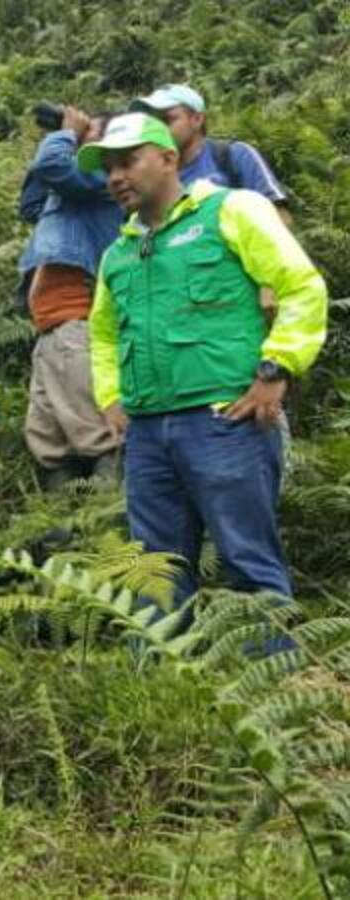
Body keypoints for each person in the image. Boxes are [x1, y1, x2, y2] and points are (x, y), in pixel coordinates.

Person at [80, 113, 327, 613]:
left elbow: (302, 287)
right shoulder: (118, 254)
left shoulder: (231, 210)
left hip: (225, 420)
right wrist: (109, 397)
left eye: (128, 161)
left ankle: (270, 681)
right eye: (108, 168)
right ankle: (163, 683)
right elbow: (103, 334)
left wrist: (276, 370)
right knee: (155, 572)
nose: (116, 177)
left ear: (169, 158)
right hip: (147, 434)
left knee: (247, 561)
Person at [16, 106, 125, 489]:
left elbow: (52, 167)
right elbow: (29, 204)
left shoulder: (103, 178)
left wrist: (62, 136)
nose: (81, 144)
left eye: (89, 136)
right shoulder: (72, 193)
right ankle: (62, 543)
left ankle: (109, 541)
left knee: (100, 437)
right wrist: (65, 137)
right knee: (51, 446)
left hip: (79, 323)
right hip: (52, 329)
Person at [130, 84, 288, 207]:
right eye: (153, 123)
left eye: (168, 120)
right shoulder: (155, 175)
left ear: (197, 119)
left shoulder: (234, 156)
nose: (159, 129)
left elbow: (278, 212)